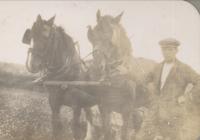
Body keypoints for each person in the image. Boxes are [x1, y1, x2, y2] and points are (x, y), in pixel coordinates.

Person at [137, 38, 200, 140]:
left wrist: (187, 96)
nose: (167, 52)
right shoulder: (157, 67)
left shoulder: (184, 68)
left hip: (173, 113)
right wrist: (150, 93)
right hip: (155, 111)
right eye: (164, 49)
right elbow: (143, 81)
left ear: (176, 51)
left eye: (170, 49)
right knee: (143, 136)